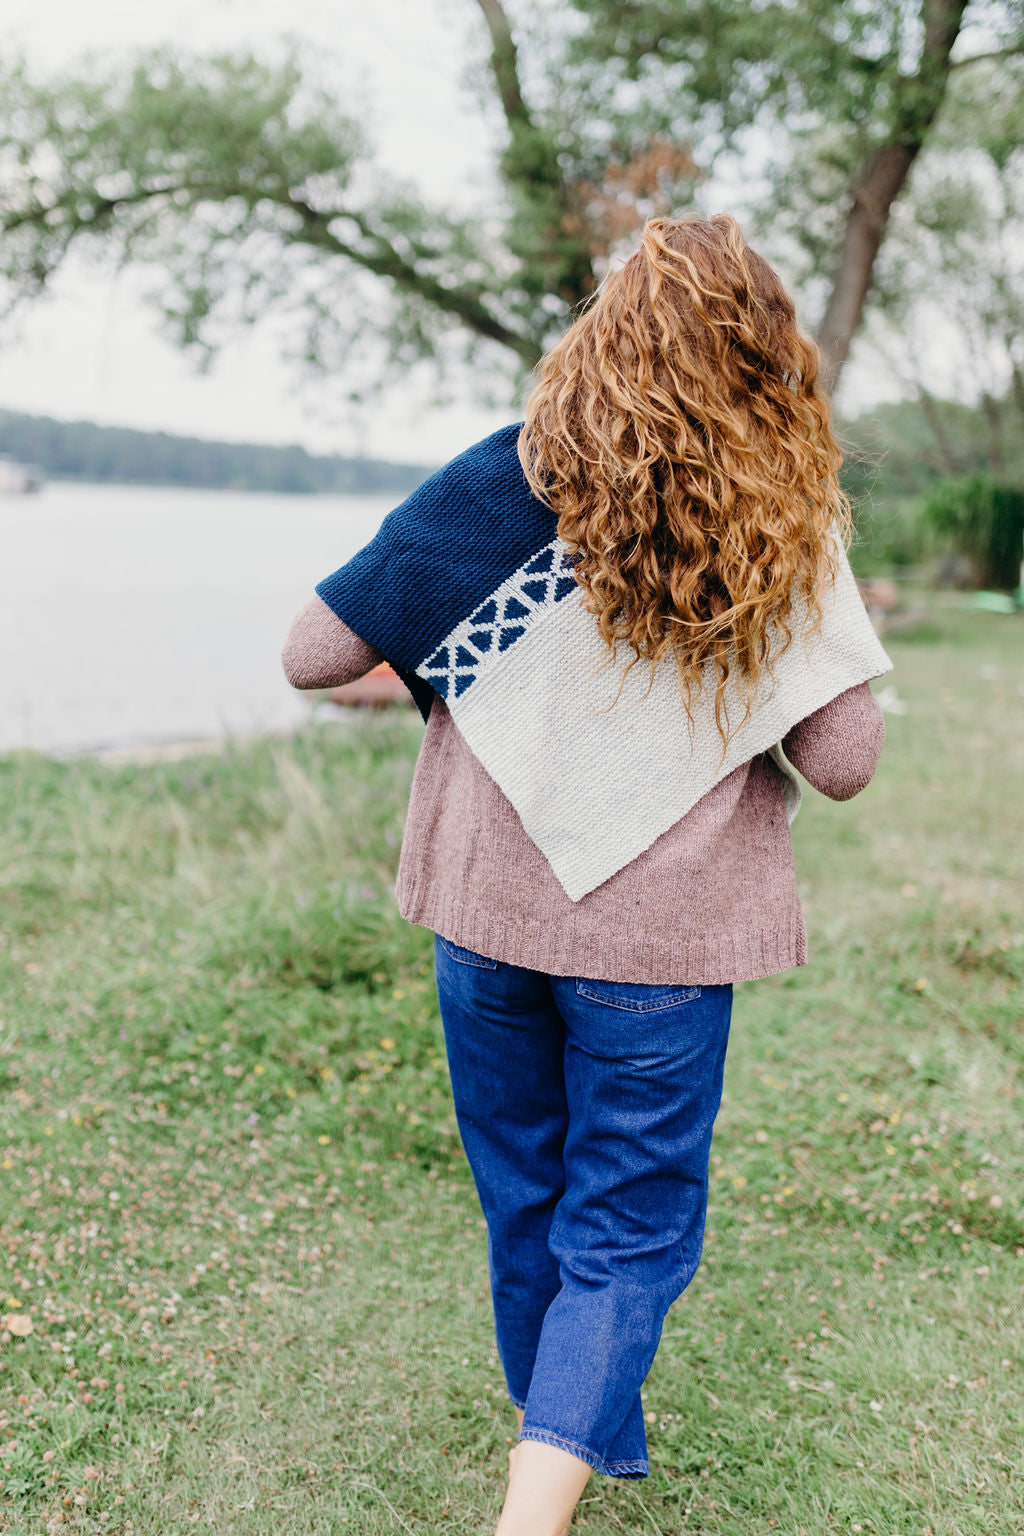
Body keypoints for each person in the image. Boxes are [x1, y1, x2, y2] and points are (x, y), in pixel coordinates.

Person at [281, 213, 889, 1536]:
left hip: (484, 915)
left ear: (600, 339)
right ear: (767, 360)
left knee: (531, 1199)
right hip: (659, 954)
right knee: (626, 1232)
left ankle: (558, 1445)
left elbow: (310, 655)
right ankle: (540, 1498)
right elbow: (844, 759)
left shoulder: (504, 480)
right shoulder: (780, 511)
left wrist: (455, 621)